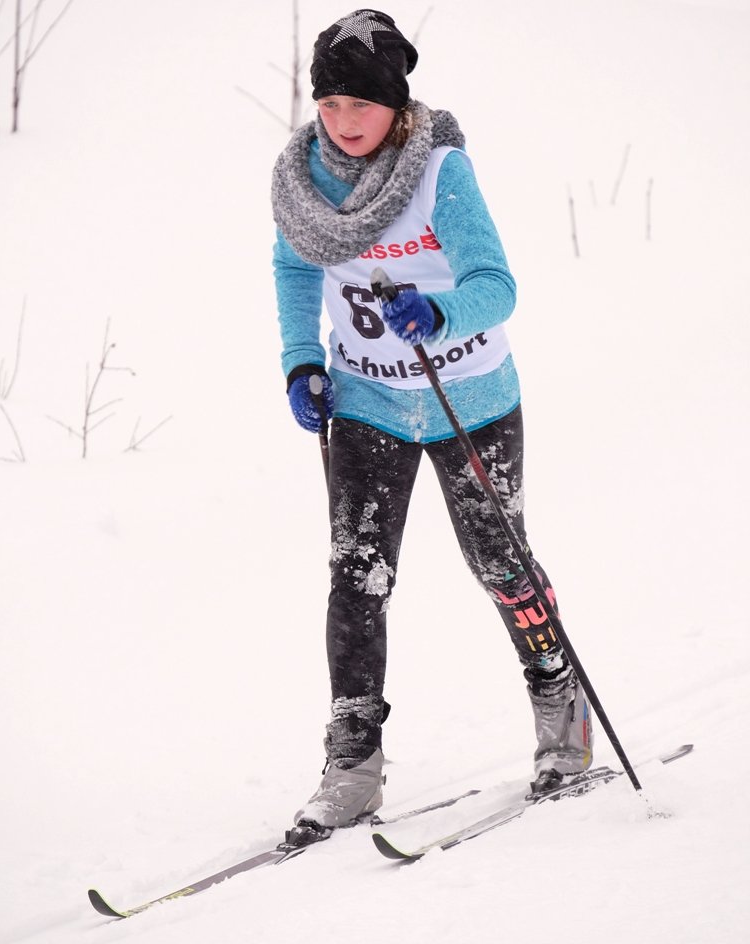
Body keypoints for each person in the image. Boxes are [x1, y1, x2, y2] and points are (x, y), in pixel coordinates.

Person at [271, 9, 593, 835]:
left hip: (469, 400)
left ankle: (561, 714)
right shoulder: (301, 177)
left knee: (501, 563)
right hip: (368, 403)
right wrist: (302, 359)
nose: (343, 123)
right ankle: (353, 765)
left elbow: (498, 284)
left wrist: (440, 312)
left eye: (361, 106)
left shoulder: (437, 170)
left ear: (395, 104)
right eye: (330, 104)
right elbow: (294, 263)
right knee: (358, 576)